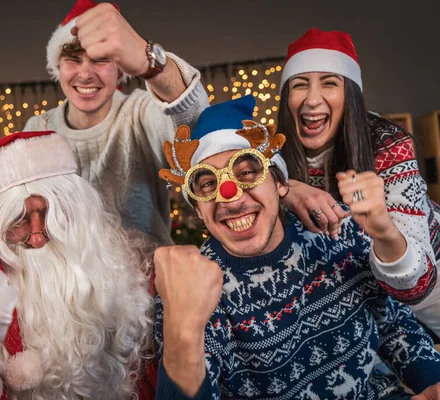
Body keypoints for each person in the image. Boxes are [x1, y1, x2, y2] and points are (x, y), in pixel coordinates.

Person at [153, 97, 440, 399]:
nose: (232, 198)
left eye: (248, 172)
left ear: (280, 184)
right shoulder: (192, 286)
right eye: (207, 184)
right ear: (197, 208)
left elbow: (393, 323)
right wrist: (182, 330)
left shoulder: (336, 229)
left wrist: (432, 383)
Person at [0, 131, 154, 400]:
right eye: (18, 221)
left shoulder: (136, 284)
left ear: (79, 215)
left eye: (50, 216)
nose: (35, 238)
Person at [276, 28, 440, 337]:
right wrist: (287, 188)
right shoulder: (273, 155)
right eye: (299, 85)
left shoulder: (389, 144)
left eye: (329, 83)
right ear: (287, 99)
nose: (312, 99)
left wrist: (383, 229)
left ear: (349, 94)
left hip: (430, 281)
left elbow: (417, 287)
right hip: (357, 293)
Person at [24, 0, 209, 246]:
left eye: (101, 60)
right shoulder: (38, 129)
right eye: (73, 60)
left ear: (120, 70)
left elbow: (196, 130)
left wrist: (152, 66)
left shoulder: (139, 112)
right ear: (58, 67)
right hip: (68, 281)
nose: (86, 73)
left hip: (145, 280)